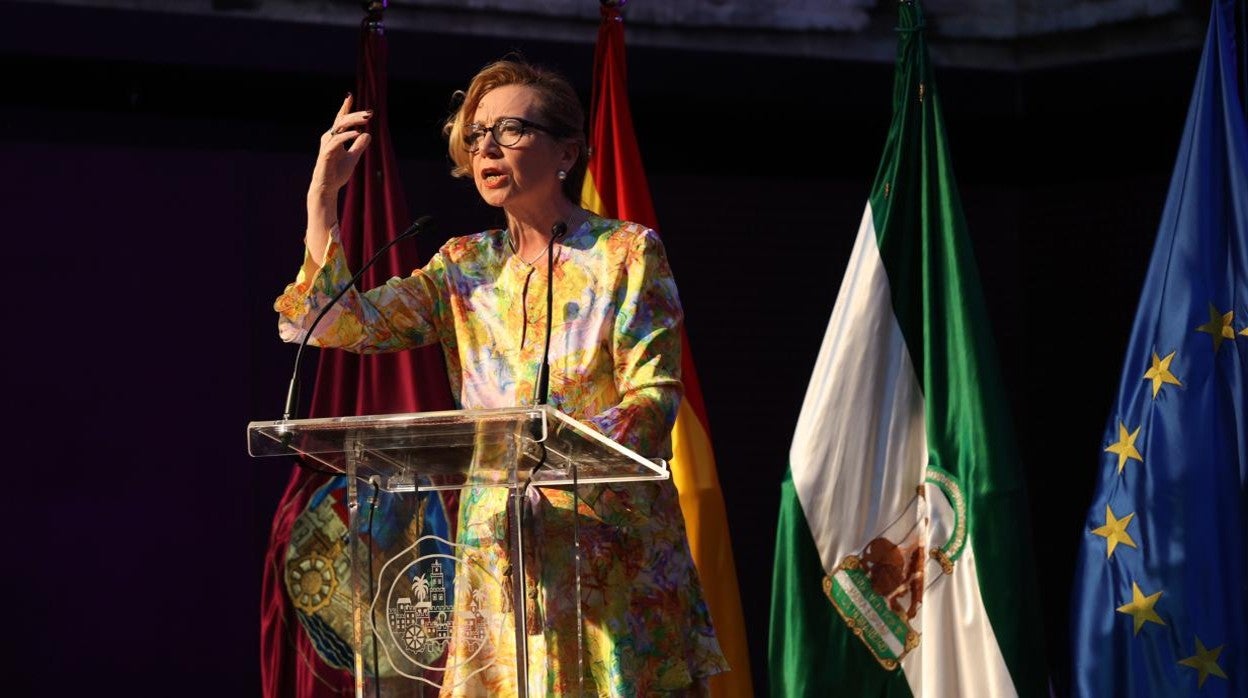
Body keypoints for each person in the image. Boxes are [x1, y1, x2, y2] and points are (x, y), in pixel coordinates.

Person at [275, 58, 728, 695]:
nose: (486, 146)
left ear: (566, 150)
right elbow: (339, 322)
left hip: (607, 553)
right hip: (500, 558)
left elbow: (652, 398)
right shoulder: (464, 265)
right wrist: (322, 199)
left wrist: (553, 456)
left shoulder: (625, 252)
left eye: (510, 130)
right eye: (477, 132)